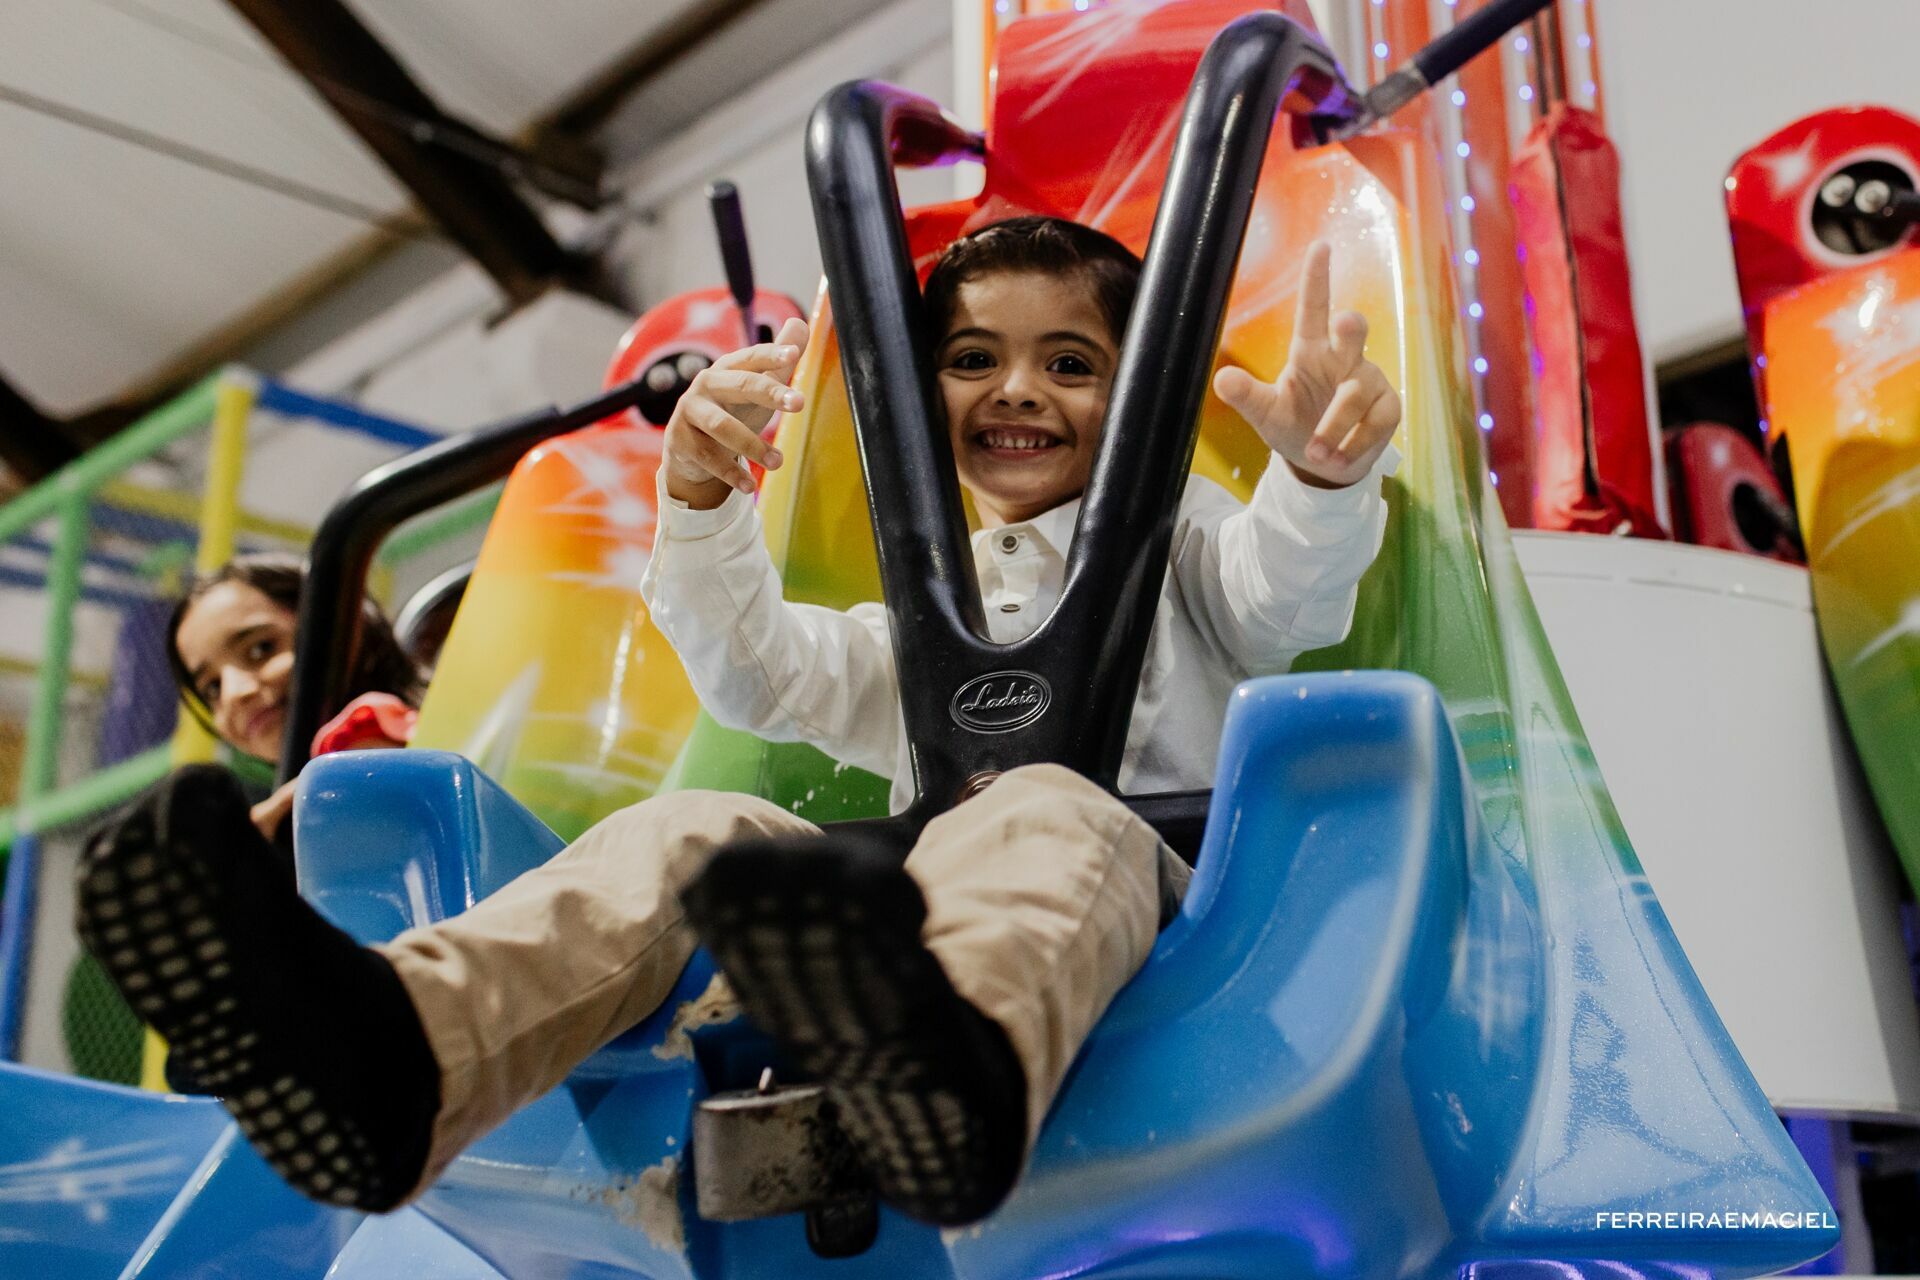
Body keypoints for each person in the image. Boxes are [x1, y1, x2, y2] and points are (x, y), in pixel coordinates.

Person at [77, 217, 1400, 1227]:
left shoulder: (1189, 558)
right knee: (693, 830)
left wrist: (1322, 475)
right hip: (893, 912)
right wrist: (703, 499)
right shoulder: (920, 619)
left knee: (1046, 809)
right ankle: (401, 1056)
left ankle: (953, 1070)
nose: (1017, 391)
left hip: (1152, 888)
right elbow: (758, 673)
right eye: (973, 360)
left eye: (1071, 362)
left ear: (1141, 398)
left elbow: (1286, 589)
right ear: (919, 403)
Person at [165, 553, 426, 841]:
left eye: (261, 648)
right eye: (212, 688)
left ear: (338, 624)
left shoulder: (370, 726)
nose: (235, 693)